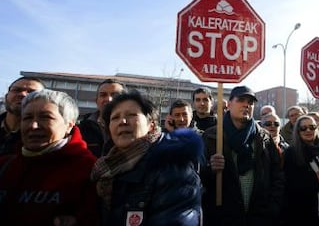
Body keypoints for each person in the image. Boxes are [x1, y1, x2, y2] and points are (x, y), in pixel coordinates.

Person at [91, 91, 203, 226]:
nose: (122, 122)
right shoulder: (105, 167)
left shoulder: (173, 167)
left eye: (131, 115)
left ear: (151, 124)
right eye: (115, 118)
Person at [0, 89, 99, 226]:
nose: (33, 126)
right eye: (27, 118)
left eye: (46, 117)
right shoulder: (5, 166)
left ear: (69, 125)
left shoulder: (90, 171)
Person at [201, 85, 284, 225]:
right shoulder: (211, 136)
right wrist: (210, 169)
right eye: (241, 100)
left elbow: (277, 175)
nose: (247, 105)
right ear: (229, 104)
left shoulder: (264, 137)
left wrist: (272, 207)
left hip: (259, 217)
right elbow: (196, 176)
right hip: (222, 217)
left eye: (251, 102)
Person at [282, 115, 319, 226]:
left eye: (312, 127)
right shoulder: (291, 153)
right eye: (303, 128)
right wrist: (315, 181)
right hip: (302, 211)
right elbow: (289, 183)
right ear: (297, 131)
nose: (308, 130)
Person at [78, 78, 127, 157]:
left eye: (115, 95)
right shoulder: (80, 130)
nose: (109, 99)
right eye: (103, 95)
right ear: (96, 100)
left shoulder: (132, 128)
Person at [0, 76, 45, 155]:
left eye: (31, 92)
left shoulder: (44, 135)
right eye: (16, 90)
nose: (22, 94)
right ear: (6, 97)